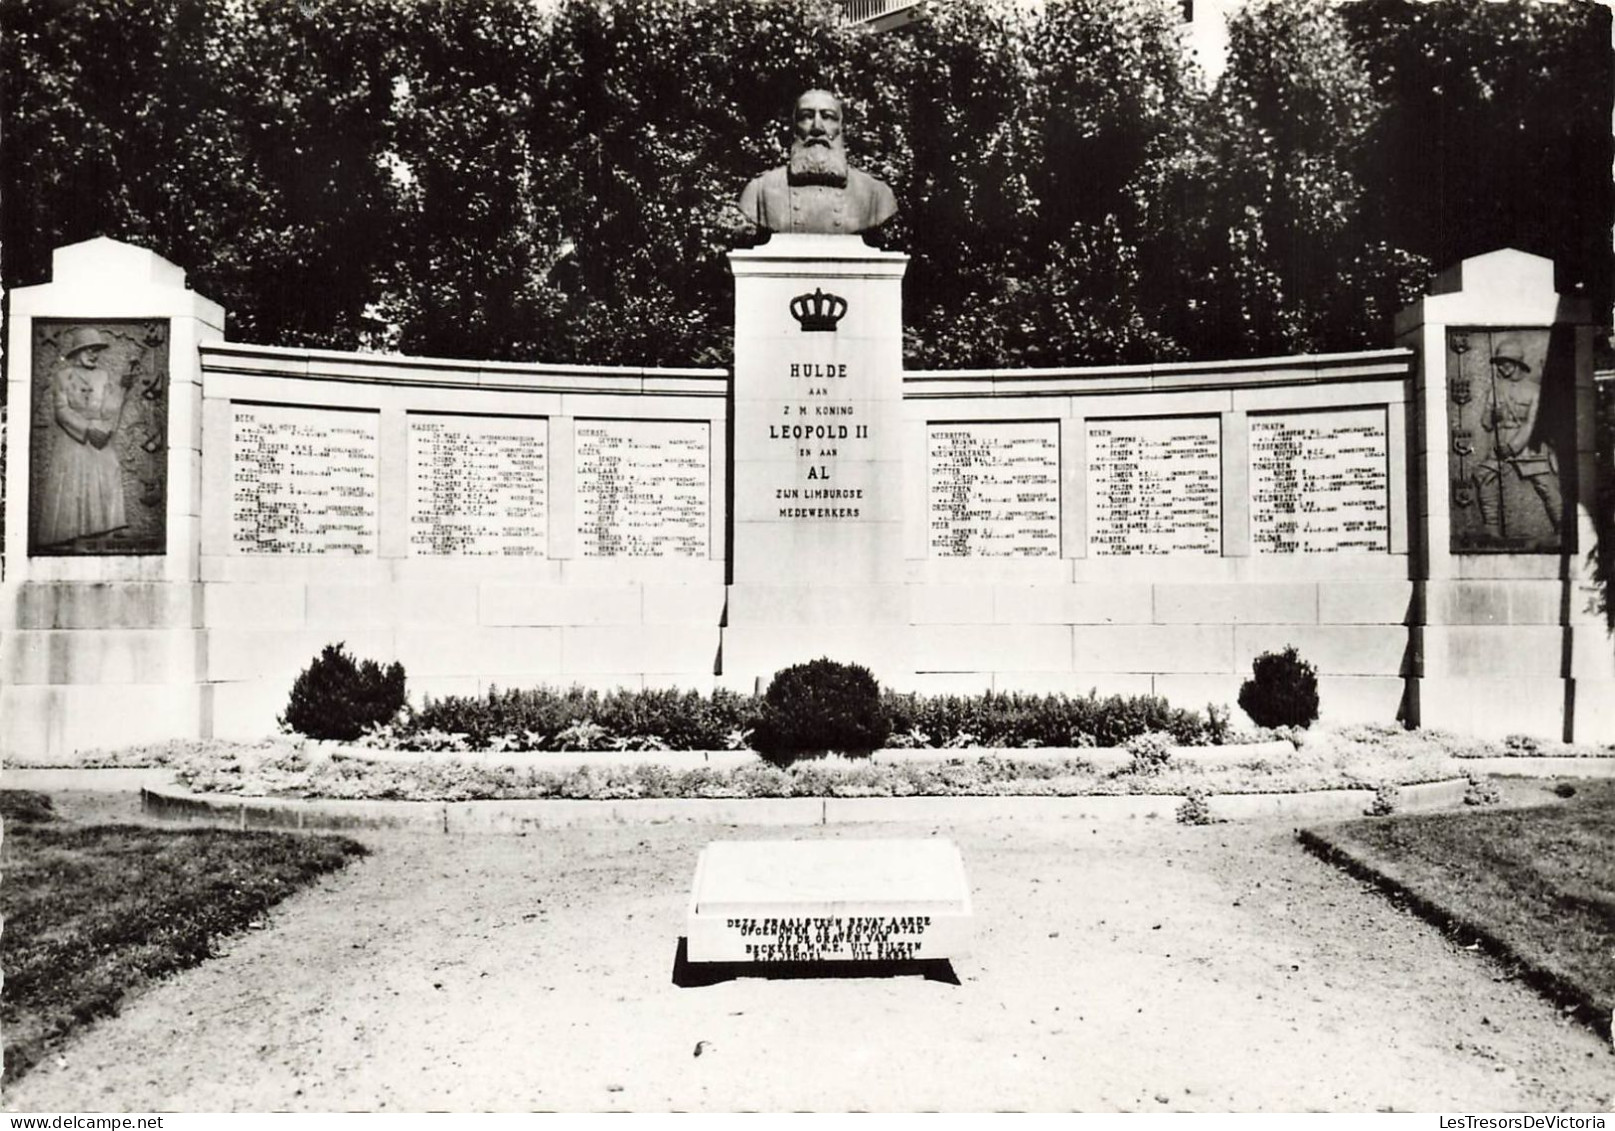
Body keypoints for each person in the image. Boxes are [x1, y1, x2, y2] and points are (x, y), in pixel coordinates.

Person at [738, 89, 897, 235]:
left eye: (828, 117)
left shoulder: (876, 195)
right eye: (806, 116)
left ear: (840, 128)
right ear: (795, 128)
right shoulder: (760, 191)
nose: (817, 127)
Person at [36, 326, 132, 546]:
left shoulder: (103, 376)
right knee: (75, 483)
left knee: (110, 470)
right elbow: (61, 411)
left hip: (100, 433)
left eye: (96, 350)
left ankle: (109, 529)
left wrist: (121, 389)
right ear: (77, 352)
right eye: (88, 349)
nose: (93, 354)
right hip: (75, 436)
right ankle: (73, 535)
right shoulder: (64, 376)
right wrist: (86, 429)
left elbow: (108, 409)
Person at [1473, 333, 1561, 535]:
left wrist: (1513, 447)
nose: (1503, 367)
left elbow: (1532, 423)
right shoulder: (1496, 389)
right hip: (1500, 445)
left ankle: (1562, 528)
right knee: (1484, 478)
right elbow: (1485, 424)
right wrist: (1492, 416)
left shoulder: (1534, 391)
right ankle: (1492, 530)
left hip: (1527, 447)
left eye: (1508, 363)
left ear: (1518, 363)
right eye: (1500, 363)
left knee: (1546, 487)